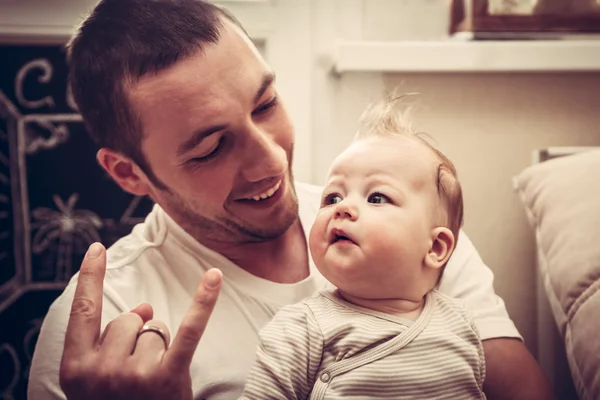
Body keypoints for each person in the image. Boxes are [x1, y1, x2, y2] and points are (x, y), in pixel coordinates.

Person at [27, 1, 554, 399]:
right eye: (211, 148)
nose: (271, 160)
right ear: (128, 173)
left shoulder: (405, 220)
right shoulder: (99, 337)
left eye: (266, 104)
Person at [241, 101, 486, 399]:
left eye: (377, 197)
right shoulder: (300, 329)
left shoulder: (459, 322)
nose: (343, 207)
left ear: (435, 247)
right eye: (332, 198)